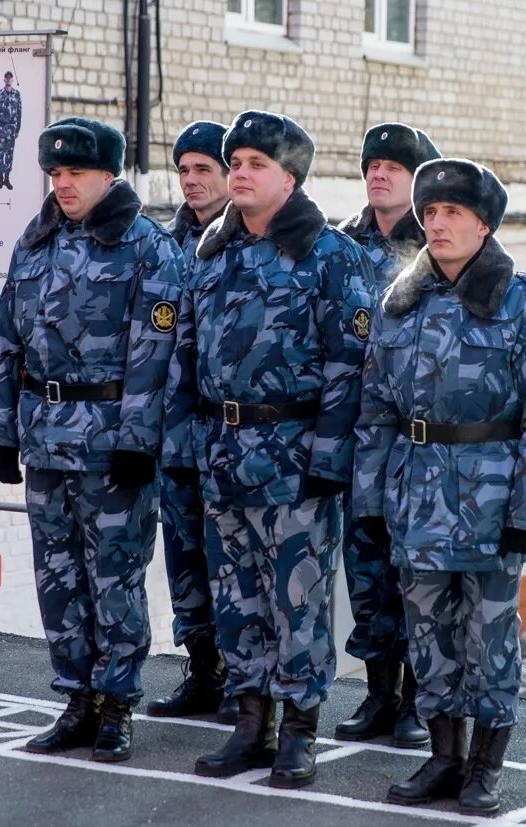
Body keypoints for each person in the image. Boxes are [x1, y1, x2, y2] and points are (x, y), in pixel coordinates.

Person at [160, 110, 376, 789]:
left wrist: (329, 462)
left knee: (297, 600)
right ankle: (251, 720)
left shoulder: (330, 254)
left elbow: (352, 368)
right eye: (236, 163)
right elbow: (185, 357)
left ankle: (300, 728)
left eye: (255, 164)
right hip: (222, 453)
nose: (240, 174)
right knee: (236, 597)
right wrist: (181, 448)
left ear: (290, 176)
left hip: (293, 457)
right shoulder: (212, 252)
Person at [353, 158, 526, 814]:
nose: (438, 223)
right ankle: (443, 758)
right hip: (416, 497)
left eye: (453, 213)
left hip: (491, 502)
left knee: (490, 639)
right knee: (429, 636)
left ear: (485, 223)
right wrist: (369, 500)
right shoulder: (401, 301)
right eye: (431, 212)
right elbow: (376, 409)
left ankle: (485, 766)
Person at [0, 117, 189, 763]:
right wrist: (2, 432)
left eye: (75, 173)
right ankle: (74, 696)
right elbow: (7, 340)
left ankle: (116, 704)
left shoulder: (145, 246)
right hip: (45, 435)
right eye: (55, 173)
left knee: (115, 578)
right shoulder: (36, 239)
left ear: (109, 175)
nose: (63, 183)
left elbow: (157, 354)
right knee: (57, 576)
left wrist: (137, 439)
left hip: (109, 444)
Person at [333, 122, 441, 749]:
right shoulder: (340, 244)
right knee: (366, 569)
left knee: (417, 576)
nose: (379, 174)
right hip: (356, 435)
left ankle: (418, 702)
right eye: (372, 164)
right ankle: (378, 693)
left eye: (394, 167)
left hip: (417, 441)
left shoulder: (438, 245)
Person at [145, 120, 237, 726]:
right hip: (172, 440)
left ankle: (244, 684)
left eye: (204, 169)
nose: (192, 181)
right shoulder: (162, 243)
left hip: (232, 441)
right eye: (183, 170)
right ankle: (202, 671)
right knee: (184, 563)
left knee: (233, 564)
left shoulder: (248, 240)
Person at [0, 71, 21, 190]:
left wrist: (17, 129)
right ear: (4, 79)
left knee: (9, 154)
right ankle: (0, 179)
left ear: (12, 80)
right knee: (0, 154)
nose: (8, 80)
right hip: (1, 128)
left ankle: (7, 179)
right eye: (6, 78)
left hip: (11, 128)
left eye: (10, 78)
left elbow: (19, 113)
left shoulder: (16, 94)